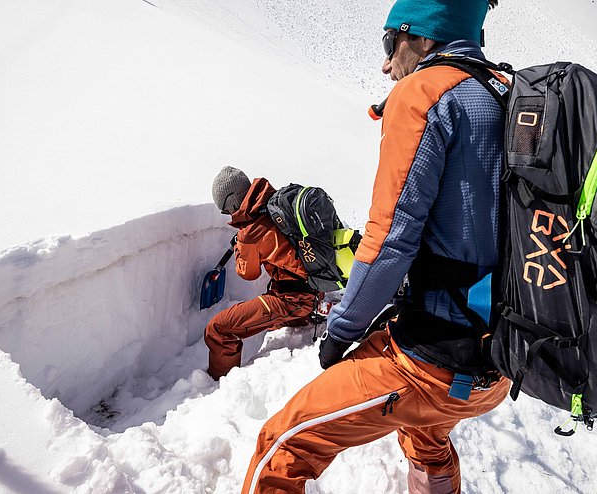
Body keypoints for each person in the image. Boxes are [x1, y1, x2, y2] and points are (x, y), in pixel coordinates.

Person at [241, 1, 508, 493]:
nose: (386, 64)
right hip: (501, 365)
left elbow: (391, 237)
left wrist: (341, 332)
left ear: (425, 37)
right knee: (426, 437)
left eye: (391, 42)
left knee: (284, 446)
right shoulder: (505, 94)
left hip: (429, 360)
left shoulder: (424, 93)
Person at [205, 166, 318, 380]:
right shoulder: (275, 204)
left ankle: (215, 386)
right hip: (314, 288)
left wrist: (241, 246)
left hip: (292, 300)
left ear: (233, 203)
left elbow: (248, 273)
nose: (227, 214)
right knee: (271, 321)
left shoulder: (251, 232)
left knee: (218, 329)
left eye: (226, 210)